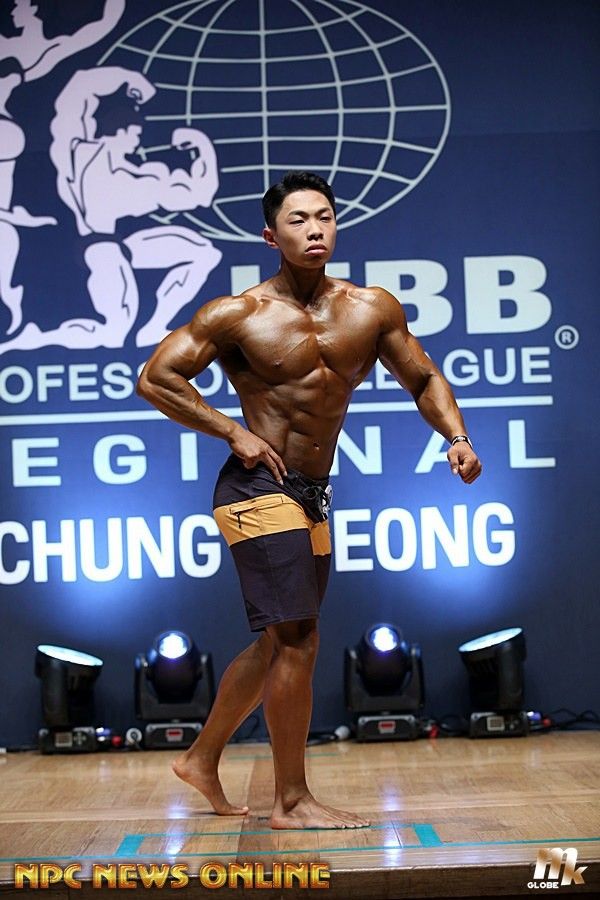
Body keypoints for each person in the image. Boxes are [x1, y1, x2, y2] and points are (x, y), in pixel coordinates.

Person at [136, 171, 482, 830]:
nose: (314, 229)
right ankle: (290, 801)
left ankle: (202, 758)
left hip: (311, 492)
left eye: (324, 216)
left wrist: (457, 437)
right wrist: (231, 430)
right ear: (271, 236)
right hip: (254, 486)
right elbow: (156, 378)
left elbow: (424, 377)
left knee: (279, 642)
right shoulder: (238, 314)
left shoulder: (369, 308)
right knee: (298, 637)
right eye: (297, 220)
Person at [0, 67, 221, 355]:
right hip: (100, 249)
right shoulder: (79, 157)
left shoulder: (135, 174)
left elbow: (198, 194)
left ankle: (155, 325)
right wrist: (129, 80)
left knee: (202, 252)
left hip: (123, 244)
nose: (138, 141)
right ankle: (35, 338)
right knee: (114, 332)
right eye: (136, 133)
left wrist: (202, 148)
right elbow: (75, 97)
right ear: (121, 130)